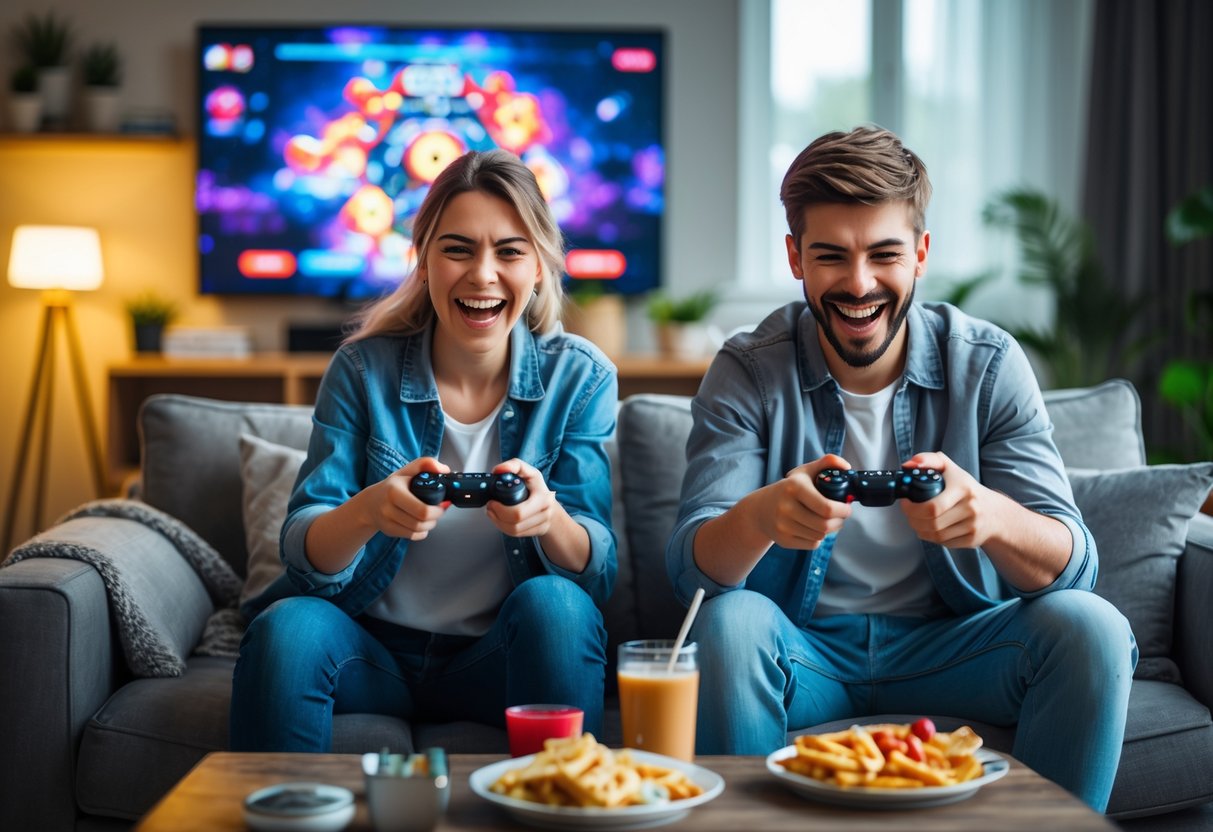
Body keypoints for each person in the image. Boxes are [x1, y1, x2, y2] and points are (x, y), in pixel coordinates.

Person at [666, 126, 1136, 811]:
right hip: (803, 652)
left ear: (919, 253)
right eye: (830, 256)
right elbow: (692, 578)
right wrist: (761, 516)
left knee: (1091, 627)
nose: (858, 285)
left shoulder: (987, 363)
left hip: (957, 647)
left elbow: (1074, 570)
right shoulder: (746, 368)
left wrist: (991, 517)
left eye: (883, 254)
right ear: (795, 257)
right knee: (729, 624)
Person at [231, 149, 618, 750]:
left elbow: (596, 572)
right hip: (370, 651)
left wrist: (550, 519)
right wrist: (369, 511)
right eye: (457, 249)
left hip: (495, 658)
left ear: (539, 267)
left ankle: (563, 802)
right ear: (423, 260)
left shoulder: (581, 378)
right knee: (288, 629)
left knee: (560, 608)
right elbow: (302, 552)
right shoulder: (363, 369)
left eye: (509, 252)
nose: (482, 275)